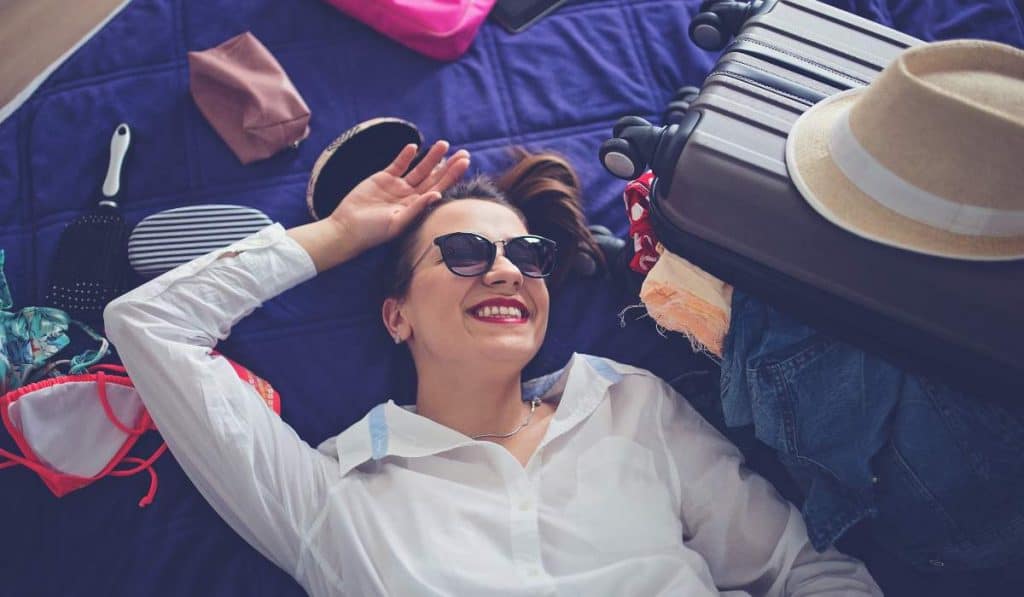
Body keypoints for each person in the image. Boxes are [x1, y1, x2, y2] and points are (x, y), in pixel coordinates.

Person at [103, 140, 882, 596]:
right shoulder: (331, 496)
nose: (508, 271)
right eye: (468, 252)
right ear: (397, 314)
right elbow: (149, 327)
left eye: (528, 254)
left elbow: (804, 569)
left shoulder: (626, 405)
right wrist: (340, 232)